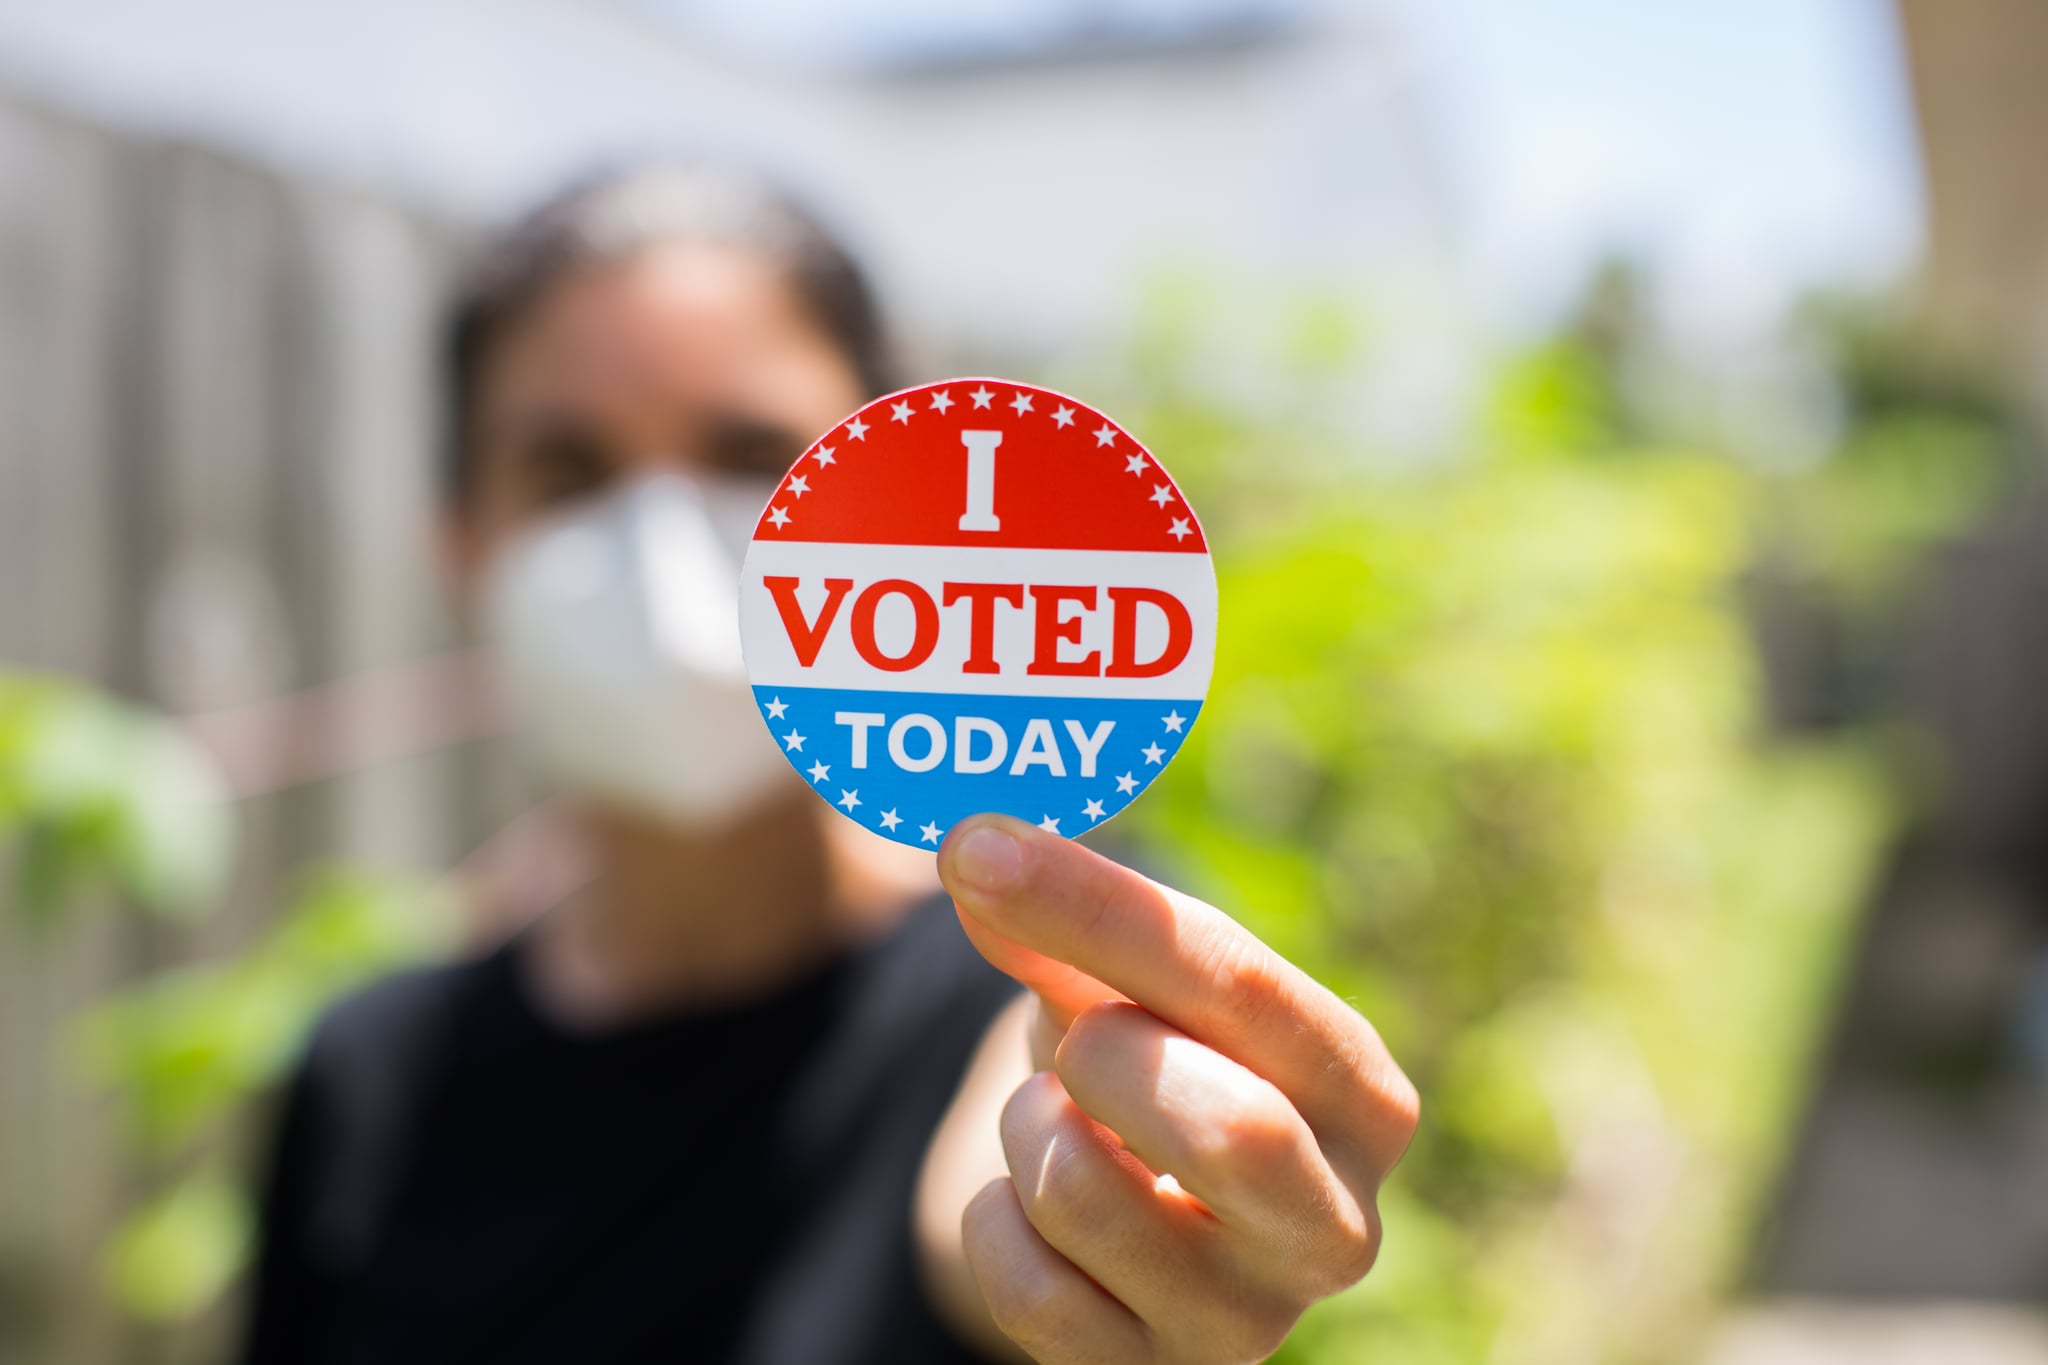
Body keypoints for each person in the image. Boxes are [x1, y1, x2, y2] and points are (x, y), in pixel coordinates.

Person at [238, 164, 1418, 1365]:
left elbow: (1002, 1179)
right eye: (569, 472)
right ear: (463, 543)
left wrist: (1084, 1219)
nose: (662, 556)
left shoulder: (1028, 968)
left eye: (749, 455)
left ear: (895, 502)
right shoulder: (365, 1077)